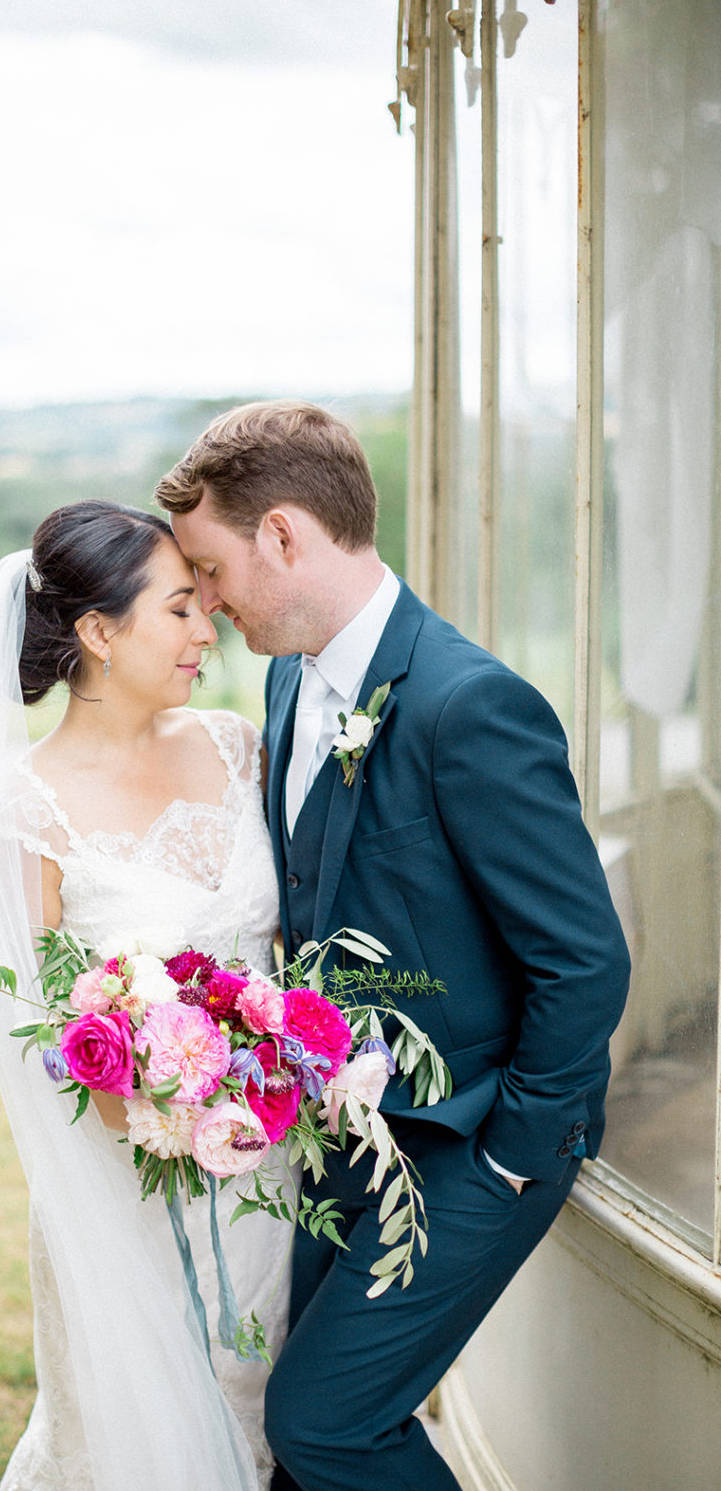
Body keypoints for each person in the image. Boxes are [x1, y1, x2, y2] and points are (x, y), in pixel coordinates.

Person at [156, 400, 631, 1491]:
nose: (210, 601)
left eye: (213, 568)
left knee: (325, 1424)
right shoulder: (286, 675)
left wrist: (515, 1151)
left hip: (477, 1139)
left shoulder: (470, 705)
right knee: (295, 1421)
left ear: (282, 535)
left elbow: (583, 956)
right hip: (345, 1131)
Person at [0, 499, 288, 1491]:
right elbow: (32, 1028)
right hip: (128, 1186)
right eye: (179, 609)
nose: (205, 630)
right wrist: (147, 1107)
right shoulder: (26, 806)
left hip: (271, 1167)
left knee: (268, 1406)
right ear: (98, 633)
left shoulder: (237, 746)